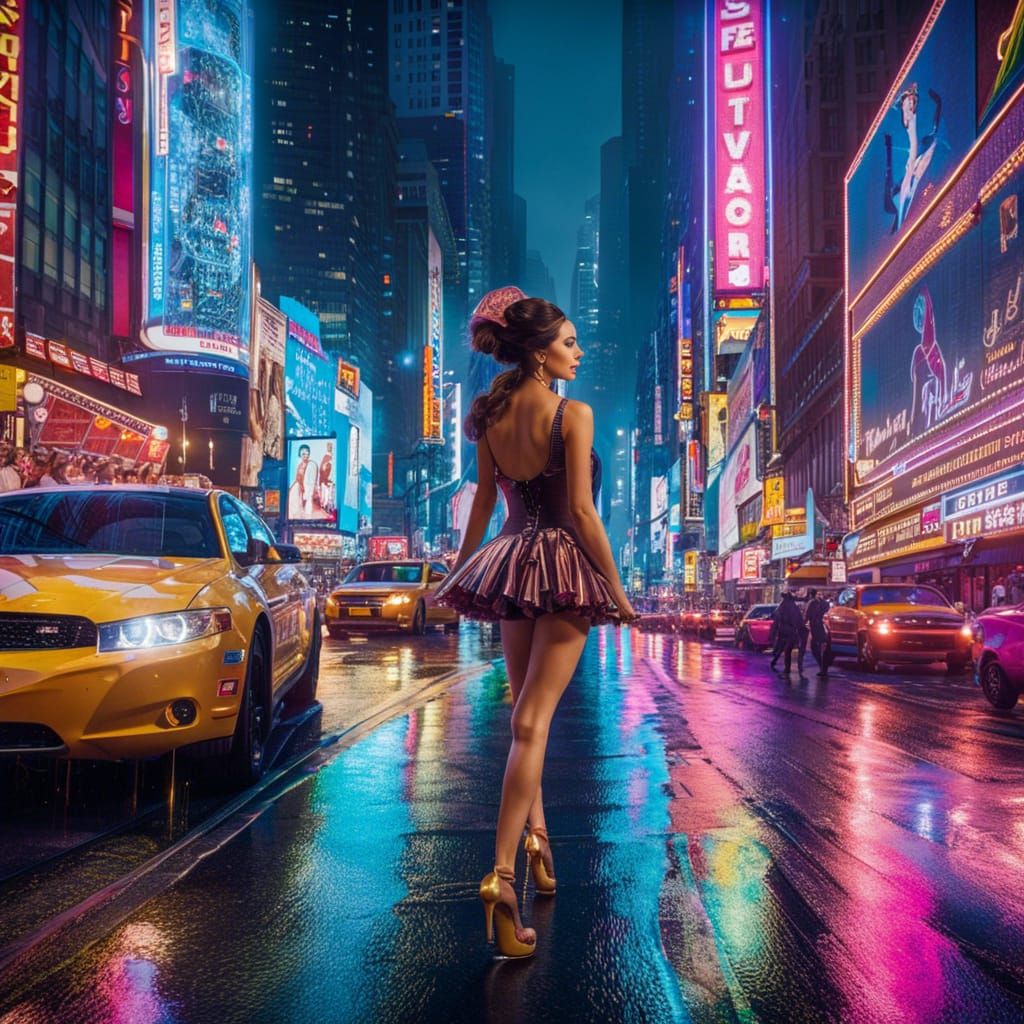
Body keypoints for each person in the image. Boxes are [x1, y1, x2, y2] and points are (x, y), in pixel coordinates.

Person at [433, 286, 637, 960]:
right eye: (570, 342)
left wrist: (457, 576)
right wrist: (616, 586)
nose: (577, 352)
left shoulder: (488, 412)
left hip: (512, 562)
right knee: (532, 723)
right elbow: (580, 512)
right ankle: (501, 879)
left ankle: (538, 849)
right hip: (565, 567)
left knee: (525, 722)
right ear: (542, 348)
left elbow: (486, 505)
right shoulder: (571, 413)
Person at [769, 592, 804, 673]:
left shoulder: (783, 606)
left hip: (785, 631)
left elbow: (775, 617)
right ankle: (789, 667)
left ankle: (783, 666)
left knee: (784, 648)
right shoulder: (792, 607)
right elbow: (798, 620)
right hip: (790, 631)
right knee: (787, 649)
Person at [804, 588, 832, 678]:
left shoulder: (812, 603)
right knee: (823, 648)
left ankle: (822, 667)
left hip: (817, 627)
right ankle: (823, 668)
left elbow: (807, 615)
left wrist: (803, 623)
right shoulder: (825, 603)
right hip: (824, 627)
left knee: (815, 647)